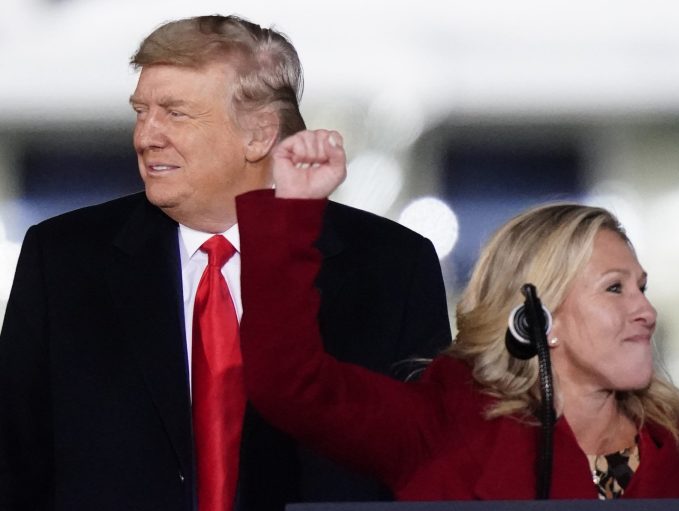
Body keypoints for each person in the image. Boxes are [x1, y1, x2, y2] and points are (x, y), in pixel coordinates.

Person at [0, 15, 451, 511]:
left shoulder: (391, 268)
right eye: (141, 112)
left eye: (175, 113)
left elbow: (426, 469)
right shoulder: (63, 259)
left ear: (258, 135)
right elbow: (16, 464)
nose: (145, 136)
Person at [236, 129, 679, 500]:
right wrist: (294, 212)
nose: (645, 310)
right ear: (539, 321)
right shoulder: (442, 430)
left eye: (642, 288)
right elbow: (290, 382)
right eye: (615, 289)